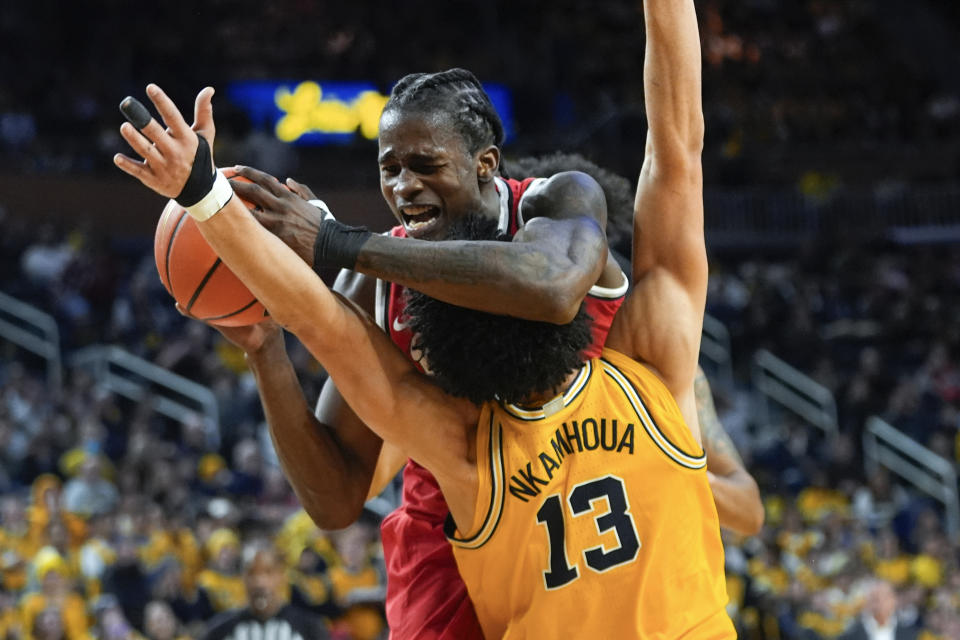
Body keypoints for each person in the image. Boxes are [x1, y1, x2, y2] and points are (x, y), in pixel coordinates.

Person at [114, 0, 734, 635]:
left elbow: (551, 282)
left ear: (485, 165)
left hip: (508, 472)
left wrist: (269, 223)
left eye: (425, 165)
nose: (405, 186)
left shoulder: (554, 205)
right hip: (467, 510)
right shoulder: (398, 318)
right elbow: (335, 494)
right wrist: (262, 341)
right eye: (389, 169)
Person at [201, 543, 329, 640]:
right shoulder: (219, 629)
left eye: (268, 572)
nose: (259, 583)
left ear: (282, 576)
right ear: (242, 578)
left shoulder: (310, 628)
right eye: (252, 573)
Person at [839, 579, 919, 640]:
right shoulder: (850, 634)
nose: (879, 604)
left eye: (884, 598)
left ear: (893, 600)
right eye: (874, 599)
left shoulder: (910, 635)